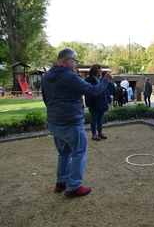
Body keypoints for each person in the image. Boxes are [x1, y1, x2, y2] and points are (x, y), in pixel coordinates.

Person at [42, 47, 113, 197]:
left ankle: (61, 181)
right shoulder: (70, 77)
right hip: (71, 122)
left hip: (54, 123)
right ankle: (73, 187)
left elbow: (45, 99)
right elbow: (93, 91)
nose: (76, 65)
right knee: (79, 153)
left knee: (63, 153)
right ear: (67, 59)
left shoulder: (47, 76)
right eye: (75, 61)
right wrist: (105, 81)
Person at [85, 64, 111, 141]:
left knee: (100, 118)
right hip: (94, 103)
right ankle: (94, 134)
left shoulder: (103, 79)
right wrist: (88, 104)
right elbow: (87, 93)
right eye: (100, 68)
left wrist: (108, 99)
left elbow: (107, 90)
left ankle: (100, 132)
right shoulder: (89, 80)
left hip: (103, 102)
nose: (101, 70)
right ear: (95, 70)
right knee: (94, 119)